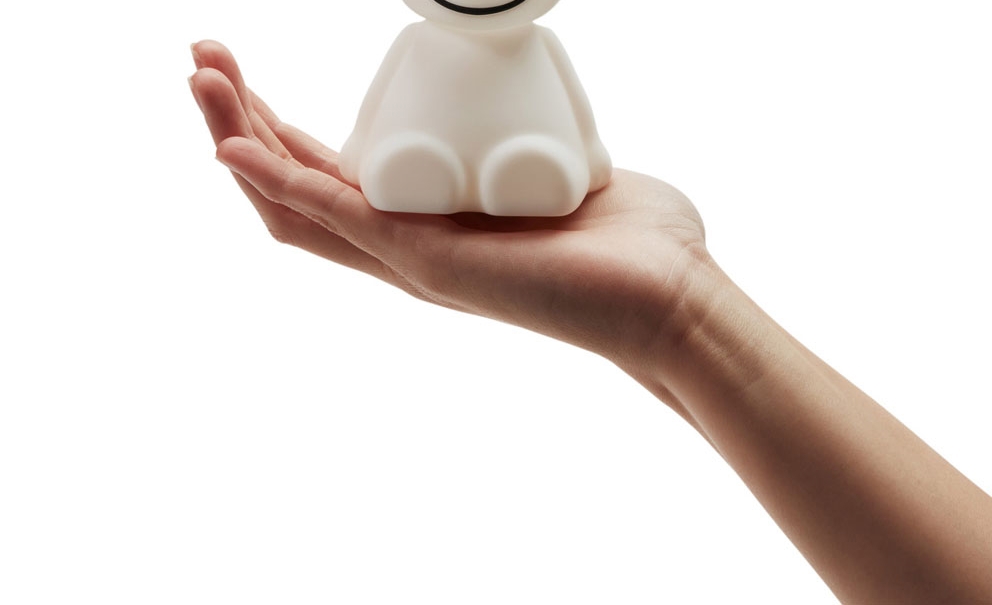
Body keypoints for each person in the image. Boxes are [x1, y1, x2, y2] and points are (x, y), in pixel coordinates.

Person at [189, 40, 992, 604]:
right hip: (421, 155)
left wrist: (605, 195)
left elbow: (578, 121)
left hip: (533, 162)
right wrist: (369, 154)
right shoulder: (418, 43)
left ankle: (522, 166)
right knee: (412, 155)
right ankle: (428, 161)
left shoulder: (535, 48)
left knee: (529, 159)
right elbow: (371, 121)